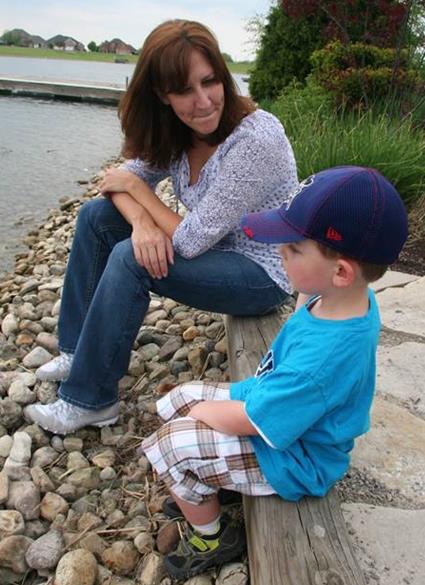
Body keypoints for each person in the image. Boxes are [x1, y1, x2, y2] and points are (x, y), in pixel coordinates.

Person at [24, 19, 298, 435]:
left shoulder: (254, 139)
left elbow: (188, 238)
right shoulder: (176, 132)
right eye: (185, 90)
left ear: (224, 77)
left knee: (132, 259)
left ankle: (91, 400)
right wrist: (141, 222)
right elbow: (113, 183)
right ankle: (76, 350)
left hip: (263, 272)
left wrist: (140, 194)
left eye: (210, 82)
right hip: (217, 251)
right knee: (95, 218)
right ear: (161, 94)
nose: (203, 101)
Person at [140, 165, 408, 580]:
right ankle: (205, 481)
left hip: (295, 459)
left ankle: (212, 536)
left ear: (340, 273)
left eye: (293, 248)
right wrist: (196, 405)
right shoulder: (345, 300)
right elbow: (308, 296)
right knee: (181, 397)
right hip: (279, 406)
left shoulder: (321, 363)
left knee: (172, 442)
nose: (280, 252)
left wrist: (199, 416)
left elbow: (255, 419)